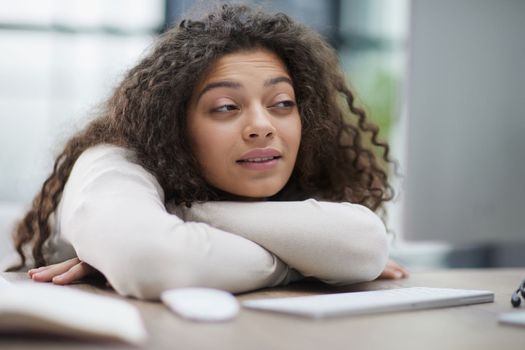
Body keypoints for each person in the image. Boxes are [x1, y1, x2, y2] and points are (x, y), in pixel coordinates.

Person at [7, 4, 408, 300]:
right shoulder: (111, 161)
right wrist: (304, 260)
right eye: (226, 108)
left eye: (282, 103)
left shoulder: (283, 176)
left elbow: (362, 243)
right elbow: (153, 261)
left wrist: (181, 214)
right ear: (173, 124)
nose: (262, 126)